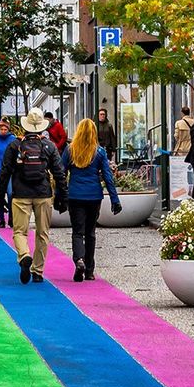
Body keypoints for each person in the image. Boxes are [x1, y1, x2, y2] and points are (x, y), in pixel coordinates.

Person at [0, 108, 66, 284]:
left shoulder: (15, 146)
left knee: (19, 231)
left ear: (25, 126)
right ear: (41, 128)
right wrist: (62, 196)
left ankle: (24, 256)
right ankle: (38, 271)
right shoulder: (49, 146)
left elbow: (5, 171)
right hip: (43, 194)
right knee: (42, 233)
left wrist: (1, 196)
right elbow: (59, 173)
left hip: (21, 194)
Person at [62, 117, 121, 281]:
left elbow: (61, 172)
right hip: (94, 196)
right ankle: (89, 270)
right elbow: (108, 177)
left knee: (77, 232)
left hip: (75, 195)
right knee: (90, 233)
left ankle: (79, 259)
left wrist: (60, 194)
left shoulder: (70, 150)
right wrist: (115, 200)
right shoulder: (100, 152)